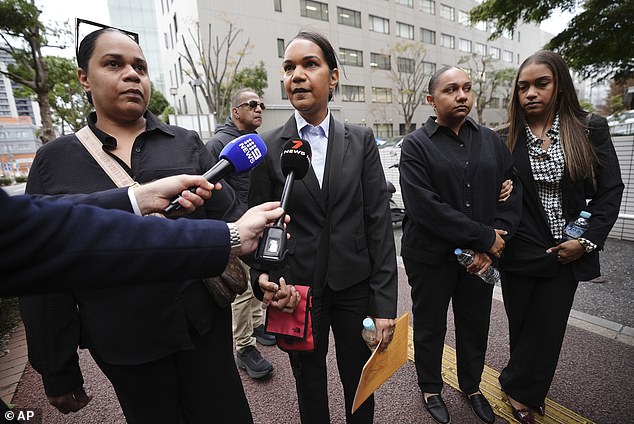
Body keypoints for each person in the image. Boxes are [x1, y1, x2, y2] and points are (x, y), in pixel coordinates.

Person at [19, 26, 288, 424]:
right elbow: (41, 275)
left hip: (202, 328)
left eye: (140, 67)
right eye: (114, 64)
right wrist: (57, 368)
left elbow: (235, 223)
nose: (132, 75)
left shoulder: (186, 143)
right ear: (83, 77)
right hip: (124, 342)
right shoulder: (53, 161)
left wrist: (264, 275)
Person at [248, 30, 398, 424]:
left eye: (309, 65)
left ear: (333, 77)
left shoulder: (361, 140)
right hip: (296, 291)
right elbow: (260, 227)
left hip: (354, 287)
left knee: (360, 382)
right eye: (289, 67)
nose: (297, 75)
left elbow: (378, 223)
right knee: (308, 384)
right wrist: (262, 278)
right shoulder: (268, 146)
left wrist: (384, 304)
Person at [496, 51, 623, 424]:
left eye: (541, 84)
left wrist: (586, 242)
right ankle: (521, 382)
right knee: (521, 324)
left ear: (560, 85)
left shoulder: (589, 128)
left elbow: (609, 191)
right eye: (523, 87)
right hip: (519, 249)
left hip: (566, 249)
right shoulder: (504, 137)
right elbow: (484, 186)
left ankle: (523, 392)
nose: (530, 93)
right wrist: (498, 189)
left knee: (548, 326)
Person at [398, 66, 522, 424]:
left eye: (467, 88)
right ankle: (431, 387)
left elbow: (511, 192)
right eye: (451, 89)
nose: (462, 95)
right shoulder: (416, 145)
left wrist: (496, 239)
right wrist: (484, 237)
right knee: (431, 324)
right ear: (431, 100)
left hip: (480, 260)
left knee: (474, 323)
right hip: (430, 257)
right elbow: (425, 208)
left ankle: (471, 385)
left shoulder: (491, 141)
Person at [206, 88, 276, 381]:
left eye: (261, 104)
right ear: (236, 112)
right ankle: (244, 347)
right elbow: (209, 193)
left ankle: (257, 326)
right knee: (243, 290)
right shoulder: (218, 145)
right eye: (251, 105)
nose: (259, 108)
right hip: (234, 230)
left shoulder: (256, 144)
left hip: (255, 227)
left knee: (256, 284)